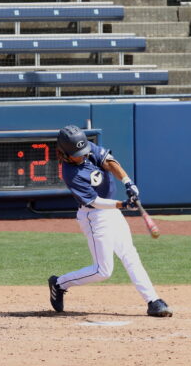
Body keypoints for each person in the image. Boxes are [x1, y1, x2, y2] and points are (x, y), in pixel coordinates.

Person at [48, 125, 172, 318]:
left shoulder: (85, 148)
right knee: (103, 271)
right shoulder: (70, 174)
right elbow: (95, 202)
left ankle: (153, 300)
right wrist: (122, 204)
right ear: (65, 154)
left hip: (112, 212)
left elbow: (110, 162)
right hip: (94, 216)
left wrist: (128, 183)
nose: (83, 156)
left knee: (129, 254)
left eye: (84, 151)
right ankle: (59, 283)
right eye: (77, 154)